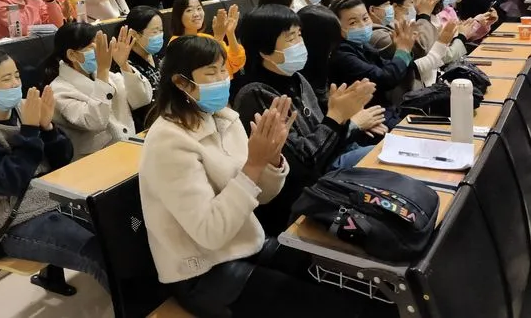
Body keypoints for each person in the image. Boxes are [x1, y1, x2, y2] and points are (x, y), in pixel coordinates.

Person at [139, 35, 382, 318]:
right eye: (211, 73)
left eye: (223, 70)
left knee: (354, 280)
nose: (222, 79)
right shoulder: (168, 142)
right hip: (203, 271)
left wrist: (272, 159)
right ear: (181, 83)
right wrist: (254, 164)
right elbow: (209, 233)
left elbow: (263, 197)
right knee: (335, 308)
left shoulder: (224, 118)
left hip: (247, 243)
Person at [0, 48, 108, 290]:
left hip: (54, 203)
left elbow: (62, 159)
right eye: (6, 79)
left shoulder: (24, 111)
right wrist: (31, 131)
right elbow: (11, 182)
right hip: (14, 224)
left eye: (17, 75)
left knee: (117, 231)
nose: (16, 84)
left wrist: (47, 128)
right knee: (99, 254)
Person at [234, 4, 378, 232]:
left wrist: (345, 119)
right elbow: (302, 164)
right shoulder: (256, 94)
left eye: (299, 35)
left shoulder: (297, 79)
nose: (300, 44)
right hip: (298, 199)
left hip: (325, 176)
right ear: (264, 50)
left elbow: (326, 142)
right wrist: (337, 117)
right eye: (290, 38)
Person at [46, 23, 152, 158]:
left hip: (128, 147)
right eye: (93, 47)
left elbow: (142, 99)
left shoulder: (106, 75)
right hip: (94, 160)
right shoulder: (58, 90)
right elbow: (95, 121)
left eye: (100, 45)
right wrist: (103, 71)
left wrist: (124, 64)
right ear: (72, 55)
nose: (101, 52)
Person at [328, 0, 414, 128]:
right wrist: (403, 51)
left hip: (384, 111)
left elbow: (386, 67)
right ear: (337, 28)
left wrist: (402, 50)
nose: (363, 25)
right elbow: (386, 78)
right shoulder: (342, 54)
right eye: (353, 23)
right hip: (368, 118)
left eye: (365, 18)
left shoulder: (362, 45)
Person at [170, 0, 245, 77]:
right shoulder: (176, 44)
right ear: (178, 15)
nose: (196, 14)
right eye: (189, 10)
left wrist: (230, 33)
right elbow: (207, 73)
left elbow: (235, 62)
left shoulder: (206, 37)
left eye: (199, 8)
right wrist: (219, 38)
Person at [119, 6, 164, 131]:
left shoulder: (157, 58)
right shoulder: (124, 65)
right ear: (134, 35)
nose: (159, 36)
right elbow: (139, 102)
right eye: (154, 32)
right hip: (146, 127)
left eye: (161, 30)